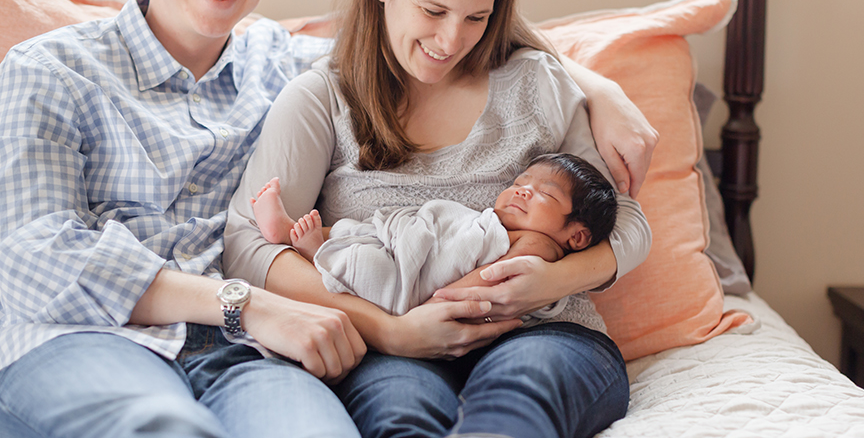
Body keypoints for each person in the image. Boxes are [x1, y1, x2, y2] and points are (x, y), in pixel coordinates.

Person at [0, 0, 656, 438]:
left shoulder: (277, 58)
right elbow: (35, 253)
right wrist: (300, 312)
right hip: (99, 336)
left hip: (250, 351)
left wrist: (598, 85)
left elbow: (451, 37)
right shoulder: (49, 69)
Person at [223, 0, 652, 438]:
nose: (452, 39)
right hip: (391, 343)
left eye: (476, 17)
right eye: (434, 11)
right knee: (397, 407)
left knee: (525, 384)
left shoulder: (536, 84)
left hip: (545, 329)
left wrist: (554, 278)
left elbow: (627, 221)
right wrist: (390, 329)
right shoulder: (324, 101)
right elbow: (248, 248)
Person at [251, 152, 618, 320]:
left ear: (578, 236)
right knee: (365, 232)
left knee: (372, 268)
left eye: (546, 194)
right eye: (521, 183)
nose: (523, 191)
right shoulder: (497, 224)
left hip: (412, 283)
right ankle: (291, 233)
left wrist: (439, 305)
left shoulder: (540, 246)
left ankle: (316, 249)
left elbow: (489, 281)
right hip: (411, 242)